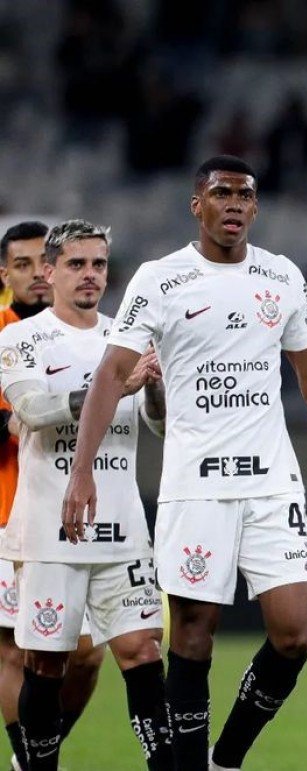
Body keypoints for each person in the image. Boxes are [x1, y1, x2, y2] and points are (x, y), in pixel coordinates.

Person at [60, 155, 307, 771]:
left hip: (270, 482)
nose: (234, 204)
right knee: (194, 633)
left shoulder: (281, 278)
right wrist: (83, 468)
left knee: (298, 629)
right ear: (196, 205)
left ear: (256, 208)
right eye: (221, 193)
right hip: (194, 484)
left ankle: (224, 758)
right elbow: (113, 374)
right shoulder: (161, 279)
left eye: (245, 195)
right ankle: (188, 763)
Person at [0, 219, 171, 770]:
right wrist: (108, 388)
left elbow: (159, 426)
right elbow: (30, 410)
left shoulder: (128, 337)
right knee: (47, 664)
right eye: (77, 264)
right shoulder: (19, 339)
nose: (90, 275)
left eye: (99, 264)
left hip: (122, 527)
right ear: (49, 272)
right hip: (50, 529)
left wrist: (160, 388)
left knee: (143, 651)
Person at [0, 222, 104, 771]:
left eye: (45, 261)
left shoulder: (83, 334)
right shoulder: (8, 335)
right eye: (23, 264)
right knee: (20, 649)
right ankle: (31, 758)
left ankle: (36, 754)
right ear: (8, 274)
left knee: (87, 656)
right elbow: (21, 420)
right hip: (9, 513)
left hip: (74, 515)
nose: (37, 273)